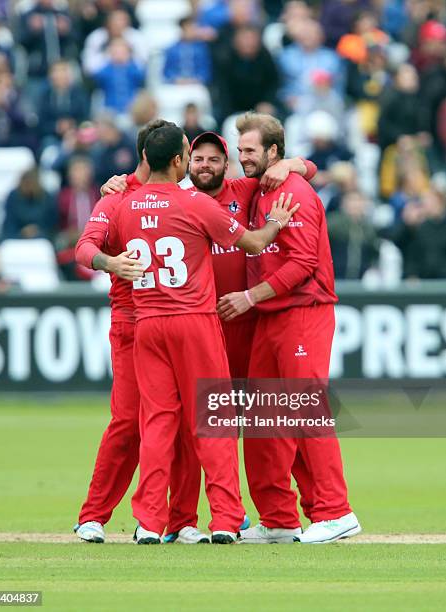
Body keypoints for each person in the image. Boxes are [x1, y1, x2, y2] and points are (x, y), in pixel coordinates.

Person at [89, 128, 315, 542]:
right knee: (215, 419)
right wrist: (276, 223)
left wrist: (109, 260)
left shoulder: (122, 201)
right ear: (180, 160)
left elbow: (88, 247)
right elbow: (251, 243)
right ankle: (227, 520)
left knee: (156, 423)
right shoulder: (194, 202)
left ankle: (149, 524)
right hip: (195, 319)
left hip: (147, 322)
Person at [217, 112, 361, 544]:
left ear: (273, 152)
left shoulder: (291, 189)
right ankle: (279, 517)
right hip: (272, 316)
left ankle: (337, 511)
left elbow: (302, 264)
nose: (242, 158)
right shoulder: (262, 187)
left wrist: (249, 297)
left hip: (302, 312)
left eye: (249, 151)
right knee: (264, 417)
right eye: (239, 150)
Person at [74, 119, 209, 544]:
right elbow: (84, 248)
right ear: (166, 154)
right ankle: (94, 514)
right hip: (134, 323)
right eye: (186, 151)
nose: (189, 158)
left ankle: (182, 520)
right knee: (129, 420)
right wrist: (110, 264)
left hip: (178, 318)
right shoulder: (117, 196)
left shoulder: (185, 195)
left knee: (190, 423)